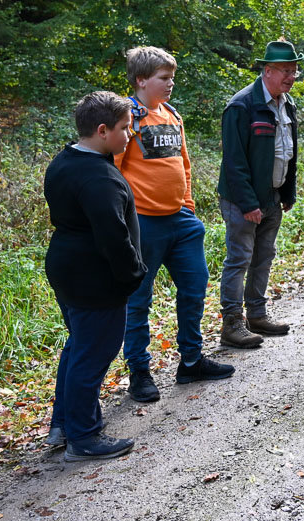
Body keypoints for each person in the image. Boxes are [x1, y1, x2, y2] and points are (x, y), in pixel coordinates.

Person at [115, 47, 234, 404]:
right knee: (138, 299)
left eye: (171, 78)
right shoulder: (128, 118)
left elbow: (183, 164)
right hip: (143, 223)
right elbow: (113, 171)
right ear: (141, 80)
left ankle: (192, 360)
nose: (170, 84)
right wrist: (123, 220)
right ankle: (139, 371)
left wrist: (188, 205)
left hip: (181, 221)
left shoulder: (171, 115)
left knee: (195, 287)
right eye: (163, 79)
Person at [44, 91, 147, 461]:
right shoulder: (99, 177)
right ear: (102, 130)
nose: (130, 134)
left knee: (78, 347)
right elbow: (113, 237)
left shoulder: (65, 160)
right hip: (94, 277)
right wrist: (132, 275)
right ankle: (83, 439)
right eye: (124, 128)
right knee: (93, 354)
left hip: (66, 268)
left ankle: (64, 424)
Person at [216, 38, 300, 348]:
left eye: (294, 71)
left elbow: (289, 152)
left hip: (273, 198)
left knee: (264, 257)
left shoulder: (287, 103)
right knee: (239, 258)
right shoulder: (242, 105)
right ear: (267, 70)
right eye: (285, 71)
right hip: (243, 200)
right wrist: (248, 203)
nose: (291, 77)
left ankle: (257, 314)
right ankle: (232, 323)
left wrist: (287, 192)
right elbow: (234, 161)